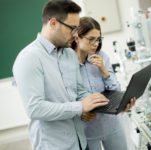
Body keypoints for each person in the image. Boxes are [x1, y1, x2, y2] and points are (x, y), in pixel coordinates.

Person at [12, 1, 109, 150]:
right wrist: (80, 107)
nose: (76, 34)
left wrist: (102, 104)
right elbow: (35, 108)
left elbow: (79, 91)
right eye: (72, 28)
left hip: (80, 142)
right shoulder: (29, 57)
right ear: (52, 23)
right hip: (54, 146)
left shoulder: (69, 54)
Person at [72, 17, 136, 150]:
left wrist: (103, 70)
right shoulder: (67, 64)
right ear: (77, 37)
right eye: (91, 39)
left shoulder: (102, 57)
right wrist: (79, 112)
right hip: (86, 131)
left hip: (111, 125)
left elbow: (116, 89)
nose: (95, 44)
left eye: (98, 39)